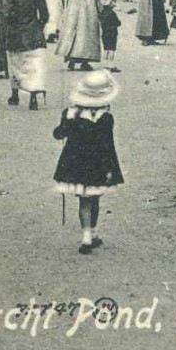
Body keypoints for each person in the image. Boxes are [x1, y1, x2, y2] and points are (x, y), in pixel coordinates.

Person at [52, 71, 124, 254]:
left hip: (75, 162)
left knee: (83, 200)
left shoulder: (71, 114)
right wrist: (111, 168)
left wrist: (67, 121)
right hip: (98, 162)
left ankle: (86, 235)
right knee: (95, 197)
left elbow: (58, 134)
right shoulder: (106, 118)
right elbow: (108, 144)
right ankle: (93, 231)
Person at [2, 0, 50, 110]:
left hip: (15, 34)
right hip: (34, 33)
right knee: (35, 65)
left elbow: (6, 15)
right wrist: (39, 26)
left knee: (15, 64)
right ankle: (33, 97)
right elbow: (45, 14)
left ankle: (15, 94)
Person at [54, 0, 109, 72]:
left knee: (73, 31)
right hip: (89, 8)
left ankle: (71, 59)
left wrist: (67, 6)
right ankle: (85, 61)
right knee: (87, 33)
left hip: (74, 6)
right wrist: (103, 8)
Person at [98, 0, 120, 69]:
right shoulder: (112, 13)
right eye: (113, 2)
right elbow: (118, 23)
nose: (115, 3)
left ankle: (105, 64)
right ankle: (111, 65)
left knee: (106, 49)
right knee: (112, 50)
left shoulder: (102, 13)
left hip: (104, 34)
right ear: (109, 3)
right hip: (112, 33)